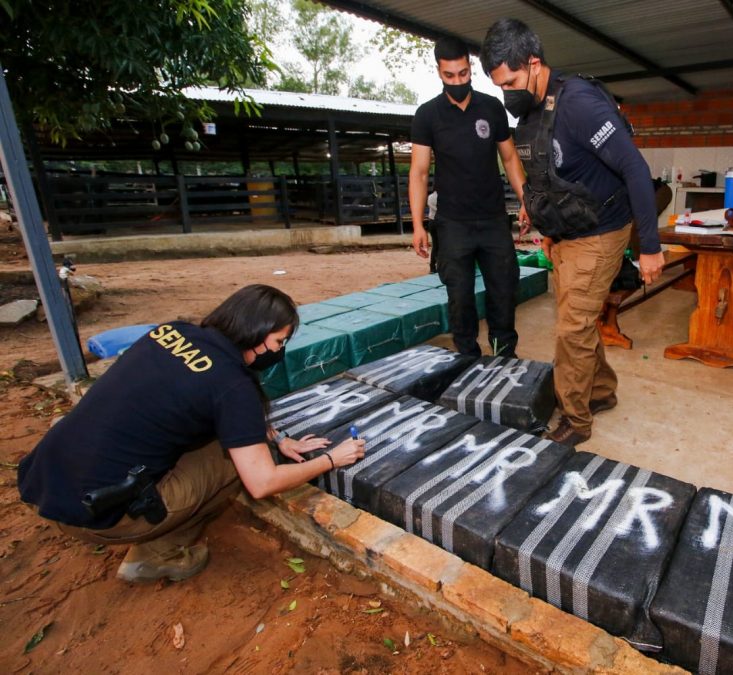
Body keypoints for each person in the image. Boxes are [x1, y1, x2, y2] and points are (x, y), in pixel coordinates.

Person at [17, 285, 366, 583]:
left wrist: (277, 438)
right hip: (98, 516)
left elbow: (209, 399)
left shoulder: (173, 331)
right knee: (233, 463)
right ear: (256, 334)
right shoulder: (233, 385)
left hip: (47, 482)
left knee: (225, 437)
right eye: (279, 340)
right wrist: (331, 459)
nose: (280, 350)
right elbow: (262, 482)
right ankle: (158, 554)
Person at [480, 18, 664, 447]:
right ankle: (601, 392)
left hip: (600, 231)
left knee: (570, 329)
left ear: (535, 63)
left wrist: (651, 247)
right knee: (576, 323)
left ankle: (576, 420)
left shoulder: (579, 103)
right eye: (499, 86)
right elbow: (546, 176)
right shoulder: (531, 111)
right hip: (565, 232)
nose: (507, 93)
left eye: (511, 81)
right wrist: (547, 227)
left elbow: (635, 168)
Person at [409, 37, 528, 359]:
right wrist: (418, 224)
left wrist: (525, 200)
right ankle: (467, 357)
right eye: (450, 76)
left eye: (463, 74)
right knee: (459, 297)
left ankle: (505, 354)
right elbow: (419, 172)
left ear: (470, 68)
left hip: (492, 220)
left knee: (503, 290)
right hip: (452, 224)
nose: (458, 81)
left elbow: (510, 158)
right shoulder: (427, 115)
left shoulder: (491, 108)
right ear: (438, 72)